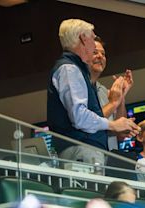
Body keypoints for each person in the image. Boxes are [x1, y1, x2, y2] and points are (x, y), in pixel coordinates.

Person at [47, 19, 140, 166]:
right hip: (82, 150)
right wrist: (113, 125)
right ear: (83, 39)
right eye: (92, 37)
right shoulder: (69, 69)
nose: (93, 41)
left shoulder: (76, 70)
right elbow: (79, 117)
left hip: (87, 150)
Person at [90, 36, 134, 151]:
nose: (100, 56)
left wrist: (121, 97)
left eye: (103, 54)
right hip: (89, 155)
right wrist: (114, 102)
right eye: (95, 52)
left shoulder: (104, 91)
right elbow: (87, 123)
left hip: (110, 158)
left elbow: (120, 135)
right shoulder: (80, 88)